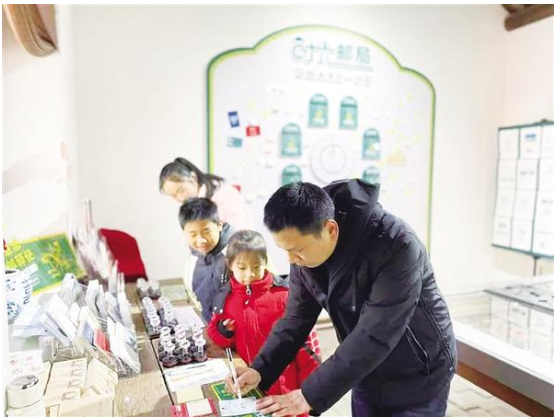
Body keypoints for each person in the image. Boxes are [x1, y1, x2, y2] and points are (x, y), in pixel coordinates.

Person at [225, 179, 457, 417]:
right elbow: (295, 319)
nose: (291, 260)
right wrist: (260, 370)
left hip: (419, 371)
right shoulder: (304, 250)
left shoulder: (397, 244)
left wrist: (308, 395)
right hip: (364, 368)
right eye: (285, 250)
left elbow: (376, 333)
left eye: (297, 250)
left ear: (330, 229)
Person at [207, 230, 320, 403]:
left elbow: (307, 346)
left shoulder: (285, 295)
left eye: (256, 266)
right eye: (242, 268)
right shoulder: (225, 299)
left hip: (286, 387)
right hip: (249, 383)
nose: (249, 274)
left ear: (265, 262)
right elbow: (217, 336)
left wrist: (310, 392)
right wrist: (223, 332)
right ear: (230, 264)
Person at [178, 197, 234, 322]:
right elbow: (193, 296)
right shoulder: (192, 259)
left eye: (206, 232)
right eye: (193, 234)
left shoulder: (240, 252)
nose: (201, 240)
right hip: (210, 325)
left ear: (219, 225)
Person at [160, 157, 253, 230]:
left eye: (181, 190)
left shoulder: (223, 197)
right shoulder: (195, 206)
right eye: (173, 196)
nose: (180, 198)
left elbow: (239, 241)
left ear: (193, 178)